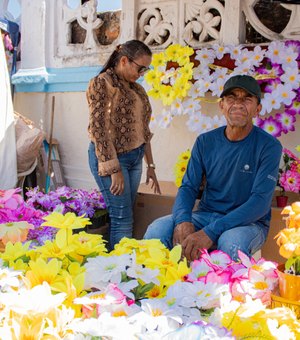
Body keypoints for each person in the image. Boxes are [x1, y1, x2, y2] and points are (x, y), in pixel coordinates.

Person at [144, 74, 282, 262]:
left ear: (257, 109)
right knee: (157, 230)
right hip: (205, 215)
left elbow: (259, 203)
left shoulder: (269, 146)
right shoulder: (205, 141)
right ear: (222, 106)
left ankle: (228, 292)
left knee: (231, 242)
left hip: (248, 223)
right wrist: (183, 220)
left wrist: (210, 232)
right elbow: (188, 187)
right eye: (231, 97)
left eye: (247, 99)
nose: (238, 104)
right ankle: (154, 287)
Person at [87, 40, 161, 250]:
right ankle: (119, 275)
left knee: (125, 215)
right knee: (122, 218)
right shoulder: (102, 83)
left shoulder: (137, 90)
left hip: (135, 159)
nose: (141, 74)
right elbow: (98, 128)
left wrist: (151, 166)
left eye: (146, 70)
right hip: (111, 159)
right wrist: (114, 169)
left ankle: (117, 267)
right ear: (124, 60)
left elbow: (144, 131)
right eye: (140, 68)